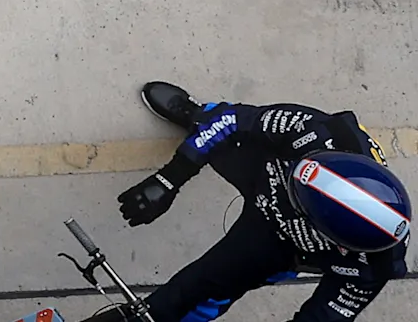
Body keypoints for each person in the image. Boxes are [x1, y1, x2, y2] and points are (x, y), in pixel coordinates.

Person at [116, 83, 408, 321]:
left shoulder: (372, 268)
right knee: (216, 125)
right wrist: (167, 181)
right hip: (265, 165)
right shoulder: (318, 131)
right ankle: (196, 115)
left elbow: (323, 319)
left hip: (278, 242)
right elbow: (233, 121)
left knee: (191, 294)